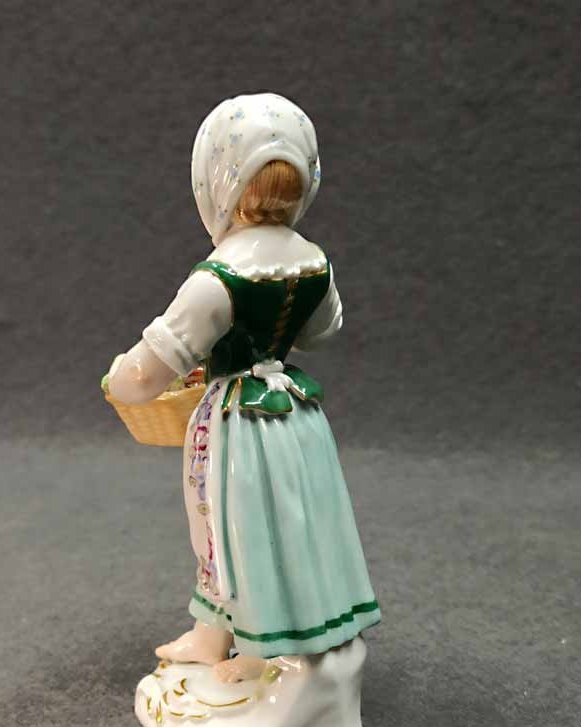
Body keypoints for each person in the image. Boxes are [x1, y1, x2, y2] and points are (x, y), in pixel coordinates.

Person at [108, 92, 380, 684]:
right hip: (298, 418)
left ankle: (262, 649)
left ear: (219, 178)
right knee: (294, 526)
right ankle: (213, 635)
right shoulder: (315, 262)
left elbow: (147, 373)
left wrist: (120, 378)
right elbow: (324, 332)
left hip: (237, 425)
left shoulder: (219, 275)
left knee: (234, 531)